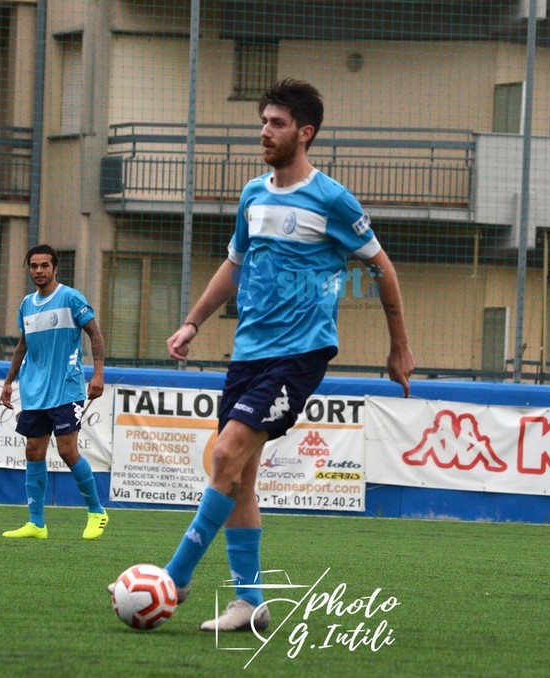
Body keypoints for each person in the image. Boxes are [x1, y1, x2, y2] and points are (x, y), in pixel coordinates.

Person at [162, 79, 414, 632]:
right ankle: (250, 602)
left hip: (300, 354)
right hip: (248, 353)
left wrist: (399, 345)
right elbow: (234, 265)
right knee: (239, 476)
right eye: (263, 122)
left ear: (305, 133)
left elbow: (382, 268)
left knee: (224, 455)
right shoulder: (253, 195)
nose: (264, 132)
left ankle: (174, 578)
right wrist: (192, 322)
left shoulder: (332, 200)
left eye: (276, 123)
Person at [0, 244, 109, 540]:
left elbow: (95, 334)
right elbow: (23, 344)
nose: (38, 271)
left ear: (55, 268)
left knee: (67, 450)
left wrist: (98, 374)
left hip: (66, 388)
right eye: (34, 266)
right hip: (34, 391)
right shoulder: (26, 304)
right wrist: (8, 381)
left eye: (44, 265)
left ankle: (97, 512)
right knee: (33, 450)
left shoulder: (71, 298)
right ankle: (36, 523)